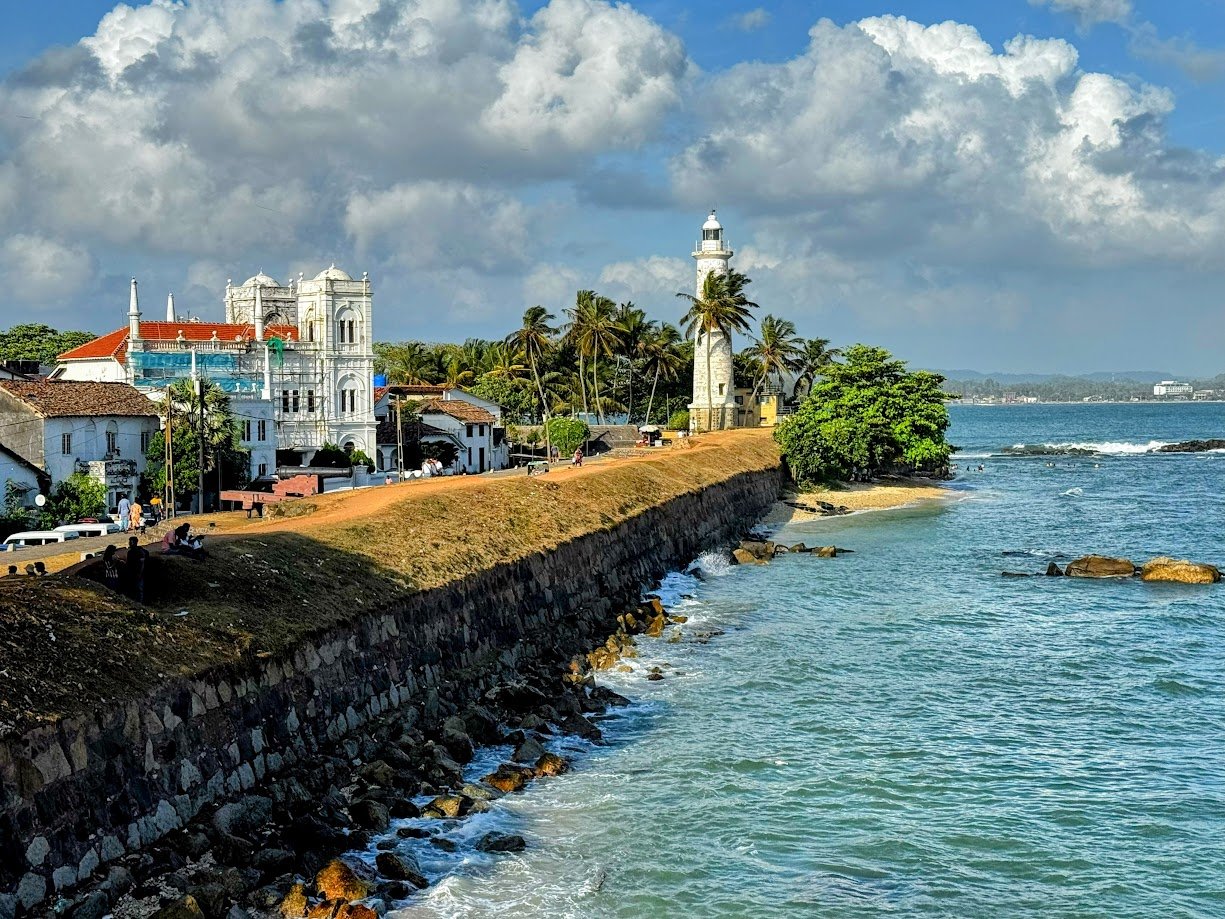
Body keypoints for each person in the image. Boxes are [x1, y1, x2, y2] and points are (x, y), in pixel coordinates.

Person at [126, 536, 148, 603]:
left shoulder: (140, 552)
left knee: (139, 589)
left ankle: (139, 603)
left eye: (131, 542)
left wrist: (140, 573)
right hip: (132, 572)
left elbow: (142, 564)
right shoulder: (130, 552)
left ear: (135, 543)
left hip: (138, 573)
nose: (129, 543)